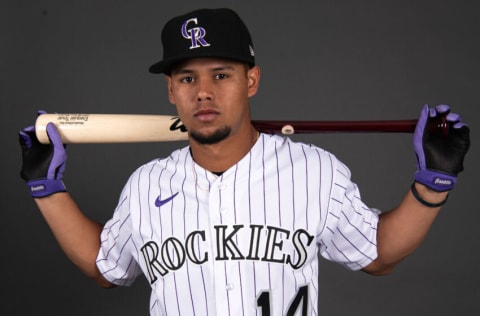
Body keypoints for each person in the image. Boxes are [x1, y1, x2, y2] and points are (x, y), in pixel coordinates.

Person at [19, 8, 470, 316]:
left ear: (250, 80)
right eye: (187, 78)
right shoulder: (145, 185)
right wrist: (47, 188)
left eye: (221, 75)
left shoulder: (314, 171)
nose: (203, 93)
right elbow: (104, 269)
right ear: (171, 91)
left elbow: (378, 254)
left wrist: (432, 184)